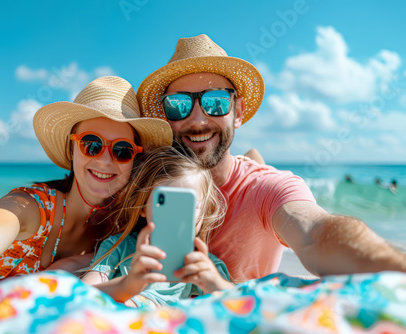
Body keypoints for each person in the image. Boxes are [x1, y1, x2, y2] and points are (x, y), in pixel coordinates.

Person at [136, 34, 406, 281]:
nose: (197, 119)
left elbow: (315, 233)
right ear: (165, 117)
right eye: (178, 105)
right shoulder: (147, 182)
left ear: (238, 112)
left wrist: (393, 266)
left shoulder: (268, 188)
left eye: (215, 102)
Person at [0, 76, 173, 295]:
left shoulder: (127, 224)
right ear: (72, 150)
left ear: (136, 159)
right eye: (91, 144)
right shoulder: (32, 206)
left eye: (123, 150)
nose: (105, 160)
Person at [82, 146, 233, 308]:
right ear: (142, 206)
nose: (176, 214)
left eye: (188, 204)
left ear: (205, 211)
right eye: (166, 203)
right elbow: (82, 295)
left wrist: (214, 283)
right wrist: (126, 285)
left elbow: (241, 306)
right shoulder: (119, 247)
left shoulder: (204, 265)